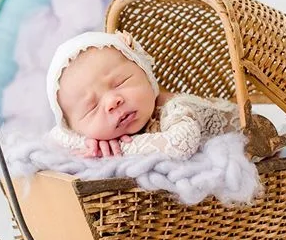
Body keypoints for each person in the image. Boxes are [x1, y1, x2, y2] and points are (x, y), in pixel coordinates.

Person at [46, 30, 240, 159]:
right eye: (92, 107)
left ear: (146, 74)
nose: (113, 102)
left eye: (120, 83)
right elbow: (56, 136)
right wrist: (90, 141)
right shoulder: (76, 129)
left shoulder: (175, 108)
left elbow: (181, 145)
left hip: (254, 139)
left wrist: (118, 150)